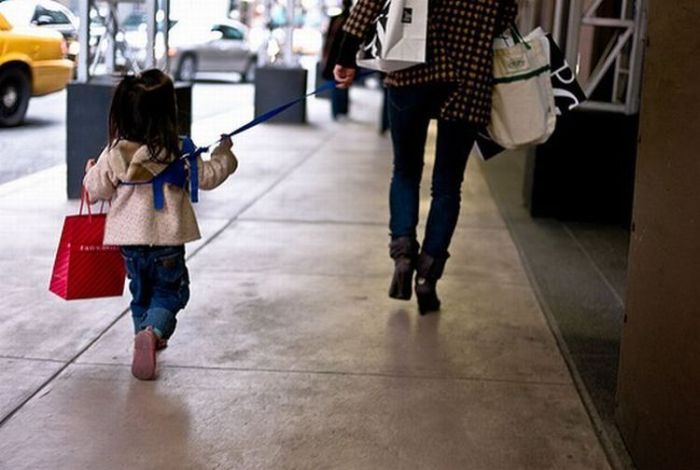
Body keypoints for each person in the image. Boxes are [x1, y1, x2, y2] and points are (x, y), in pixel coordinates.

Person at [333, 0, 518, 314]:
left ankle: (403, 254)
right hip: (469, 79)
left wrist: (345, 54)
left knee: (405, 172)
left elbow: (368, 4)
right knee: (447, 186)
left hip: (411, 68)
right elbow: (506, 16)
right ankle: (427, 278)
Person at [83, 69, 238, 380]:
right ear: (169, 112)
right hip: (167, 241)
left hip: (130, 242)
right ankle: (152, 333)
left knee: (140, 292)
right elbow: (209, 176)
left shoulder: (114, 152)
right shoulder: (180, 150)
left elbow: (96, 189)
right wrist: (225, 154)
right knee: (171, 292)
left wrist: (91, 172)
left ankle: (143, 334)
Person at [320, 0, 353, 119]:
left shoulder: (337, 20)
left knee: (338, 84)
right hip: (340, 57)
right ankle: (341, 110)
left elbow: (329, 40)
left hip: (336, 57)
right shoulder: (349, 20)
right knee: (341, 84)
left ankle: (338, 111)